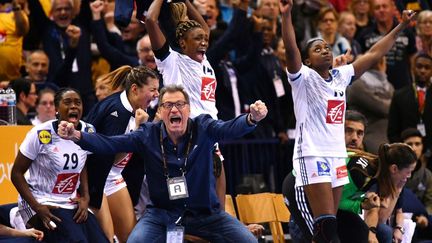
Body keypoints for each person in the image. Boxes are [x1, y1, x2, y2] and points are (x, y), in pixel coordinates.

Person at [58, 84, 268, 242]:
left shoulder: (204, 126)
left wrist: (252, 118)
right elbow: (110, 143)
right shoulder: (148, 134)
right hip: (161, 215)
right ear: (160, 111)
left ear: (188, 109)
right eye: (168, 105)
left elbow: (230, 128)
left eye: (180, 104)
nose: (174, 110)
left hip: (206, 215)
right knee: (136, 241)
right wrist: (77, 135)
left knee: (248, 240)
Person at [280, 0, 415, 241]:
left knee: (332, 228)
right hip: (312, 155)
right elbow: (291, 50)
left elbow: (374, 54)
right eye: (317, 48)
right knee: (324, 228)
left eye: (326, 47)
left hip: (336, 156)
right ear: (308, 61)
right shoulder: (303, 78)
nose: (325, 50)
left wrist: (401, 26)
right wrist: (287, 14)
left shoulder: (340, 76)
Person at [10, 88, 108, 243]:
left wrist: (85, 196)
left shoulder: (88, 130)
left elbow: (82, 164)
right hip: (42, 201)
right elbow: (16, 173)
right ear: (56, 109)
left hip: (69, 202)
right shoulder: (41, 133)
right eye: (67, 102)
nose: (74, 106)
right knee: (76, 239)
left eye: (78, 102)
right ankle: (20, 215)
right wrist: (36, 207)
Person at [84, 65, 160, 243]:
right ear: (135, 89)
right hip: (95, 176)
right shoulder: (116, 113)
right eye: (153, 89)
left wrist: (154, 123)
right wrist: (139, 130)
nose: (157, 94)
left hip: (114, 176)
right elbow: (111, 158)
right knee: (107, 238)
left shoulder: (141, 107)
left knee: (131, 238)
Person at [363, 143, 417, 243]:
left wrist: (399, 228)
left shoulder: (399, 180)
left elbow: (399, 212)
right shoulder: (374, 182)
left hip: (386, 224)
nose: (409, 176)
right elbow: (380, 220)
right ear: (394, 169)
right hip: (368, 224)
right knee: (385, 231)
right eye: (408, 171)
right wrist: (397, 192)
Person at [346, 56, 394, 154]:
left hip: (388, 138)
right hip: (367, 138)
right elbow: (387, 109)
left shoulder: (388, 85)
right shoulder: (356, 85)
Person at [387, 53, 432, 149]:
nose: (423, 70)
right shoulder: (399, 95)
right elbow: (392, 131)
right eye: (419, 67)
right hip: (406, 151)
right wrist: (403, 151)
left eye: (427, 67)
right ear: (413, 68)